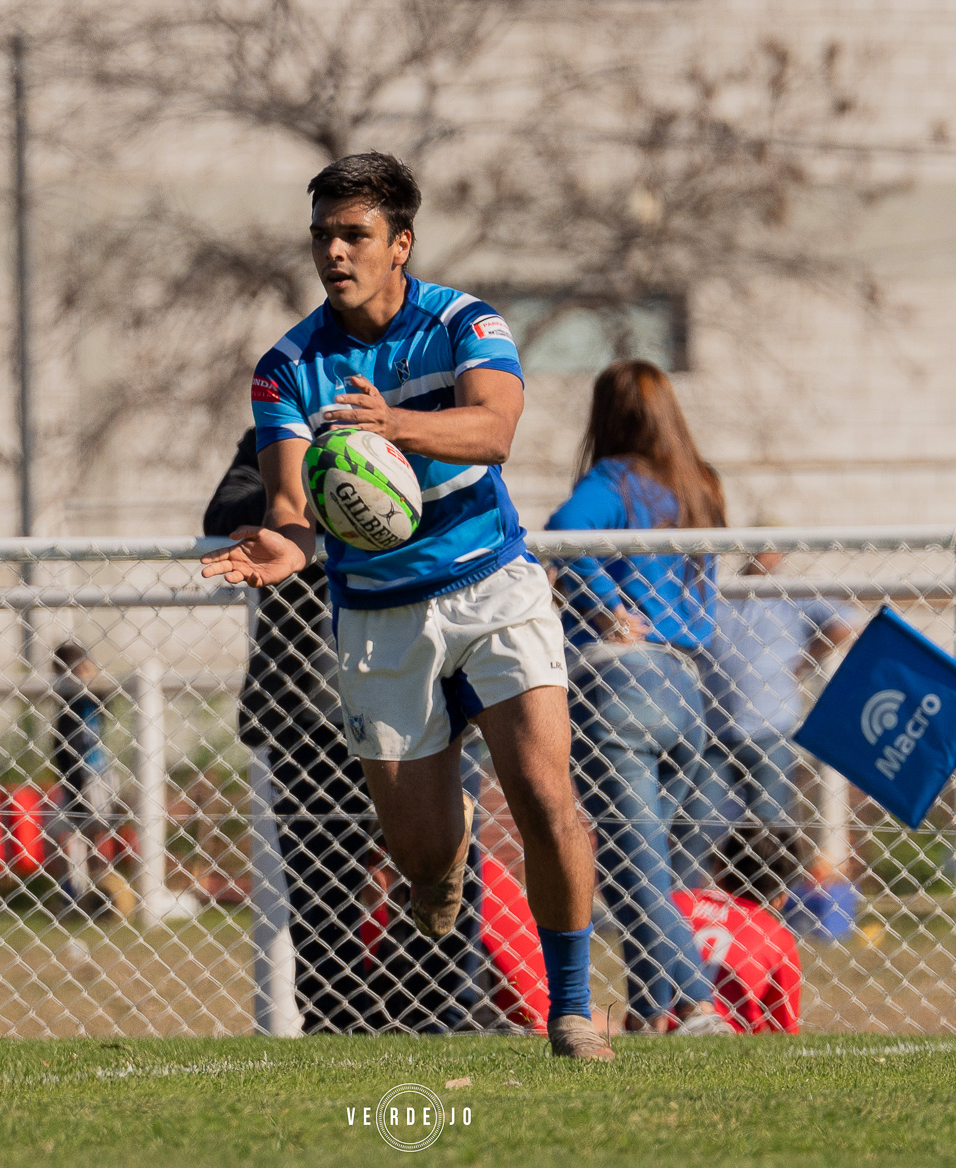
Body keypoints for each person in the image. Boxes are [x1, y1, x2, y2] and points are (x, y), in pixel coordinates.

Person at [201, 152, 611, 1059]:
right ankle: (443, 860)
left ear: (401, 244)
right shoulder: (287, 368)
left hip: (491, 586)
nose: (334, 253)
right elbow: (291, 507)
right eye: (323, 237)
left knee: (546, 796)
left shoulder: (465, 321)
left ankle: (574, 1008)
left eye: (354, 235)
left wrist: (395, 426)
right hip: (380, 615)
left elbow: (494, 430)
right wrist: (284, 545)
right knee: (422, 860)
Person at [204, 428, 485, 1033]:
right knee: (321, 885)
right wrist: (334, 482)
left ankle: (432, 1014)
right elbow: (225, 511)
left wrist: (386, 478)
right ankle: (336, 1023)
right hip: (310, 711)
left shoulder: (420, 422)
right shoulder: (277, 432)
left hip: (420, 690)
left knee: (443, 860)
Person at [546, 358, 731, 1035]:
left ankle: (697, 1003)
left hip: (618, 683)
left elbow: (563, 536)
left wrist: (602, 607)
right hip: (686, 688)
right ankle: (651, 1011)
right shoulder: (699, 485)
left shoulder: (613, 480)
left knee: (634, 865)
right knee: (643, 864)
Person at [686, 549, 852, 879]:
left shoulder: (792, 594)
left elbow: (846, 623)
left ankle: (772, 900)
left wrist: (806, 658)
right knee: (698, 820)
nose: (766, 556)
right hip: (716, 729)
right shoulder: (721, 592)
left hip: (770, 726)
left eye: (774, 549)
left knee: (771, 823)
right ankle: (694, 901)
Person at [671, 824, 803, 1034]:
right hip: (726, 1035)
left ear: (719, 868)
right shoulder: (777, 938)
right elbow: (785, 1030)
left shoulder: (677, 903)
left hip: (664, 1023)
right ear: (781, 897)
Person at [51, 642, 113, 915]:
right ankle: (77, 894)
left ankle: (98, 892)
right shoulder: (68, 700)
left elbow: (106, 698)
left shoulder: (91, 697)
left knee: (94, 831)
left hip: (95, 772)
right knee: (75, 833)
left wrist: (90, 678)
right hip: (77, 774)